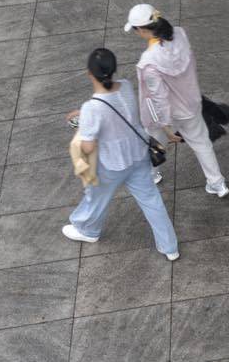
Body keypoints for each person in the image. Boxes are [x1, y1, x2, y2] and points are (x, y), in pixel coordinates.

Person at [62, 47, 180, 260]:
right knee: (152, 201)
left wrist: (82, 127)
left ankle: (87, 230)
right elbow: (117, 113)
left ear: (90, 74)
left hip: (112, 163)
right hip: (138, 154)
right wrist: (85, 114)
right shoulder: (125, 87)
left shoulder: (92, 108)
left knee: (95, 196)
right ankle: (170, 247)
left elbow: (88, 147)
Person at [124, 4, 229, 198]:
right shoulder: (180, 34)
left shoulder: (148, 62)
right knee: (201, 143)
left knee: (155, 143)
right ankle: (217, 183)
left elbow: (158, 98)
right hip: (191, 103)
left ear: (141, 29)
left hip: (167, 114)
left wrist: (165, 127)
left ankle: (152, 175)